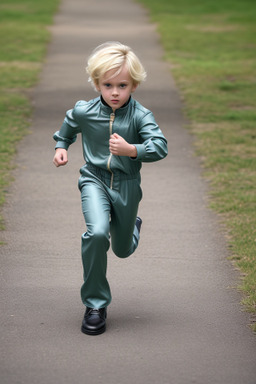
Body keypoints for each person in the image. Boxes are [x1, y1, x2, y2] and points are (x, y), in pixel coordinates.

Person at [53, 42, 168, 335]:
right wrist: (61, 146)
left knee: (122, 249)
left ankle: (132, 228)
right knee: (97, 233)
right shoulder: (84, 110)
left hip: (127, 185)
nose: (115, 92)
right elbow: (67, 127)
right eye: (107, 85)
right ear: (96, 83)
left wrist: (132, 149)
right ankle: (95, 304)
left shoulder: (141, 115)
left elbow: (160, 147)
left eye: (122, 85)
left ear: (134, 85)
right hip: (94, 179)